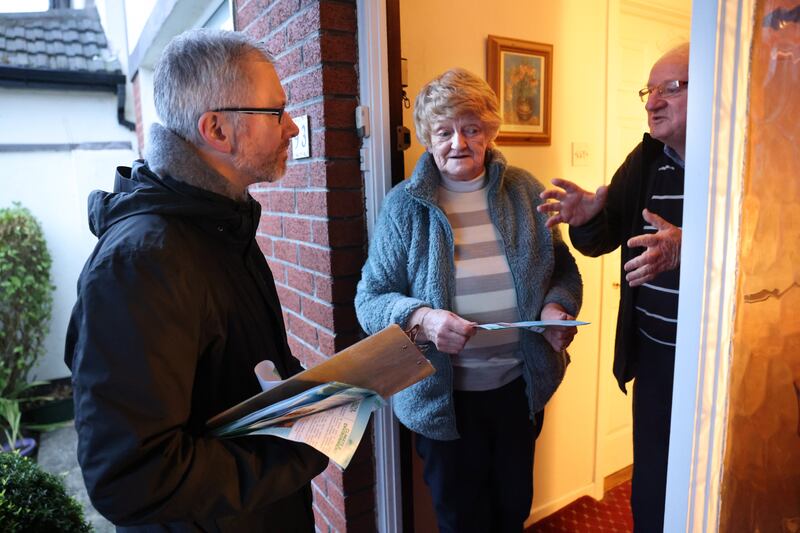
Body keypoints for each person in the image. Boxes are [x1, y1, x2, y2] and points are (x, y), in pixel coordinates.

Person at [64, 29, 328, 532]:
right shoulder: (143, 262)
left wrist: (309, 398)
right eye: (277, 112)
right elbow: (132, 477)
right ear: (217, 130)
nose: (292, 127)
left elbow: (232, 372)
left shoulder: (220, 225)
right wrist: (298, 450)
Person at [355, 68, 583, 533]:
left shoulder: (523, 190)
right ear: (427, 137)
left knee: (512, 510)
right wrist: (422, 318)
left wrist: (555, 308)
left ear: (489, 132)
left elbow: (561, 268)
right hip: (445, 402)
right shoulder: (405, 206)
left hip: (519, 393)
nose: (458, 142)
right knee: (461, 520)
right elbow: (370, 299)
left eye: (471, 128)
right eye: (444, 131)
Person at [538, 43, 689, 532]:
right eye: (650, 90)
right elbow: (602, 240)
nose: (653, 102)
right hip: (657, 361)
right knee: (652, 488)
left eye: (672, 87)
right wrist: (587, 217)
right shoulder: (645, 161)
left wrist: (689, 248)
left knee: (706, 488)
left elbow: (767, 244)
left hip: (716, 369)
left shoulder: (744, 163)